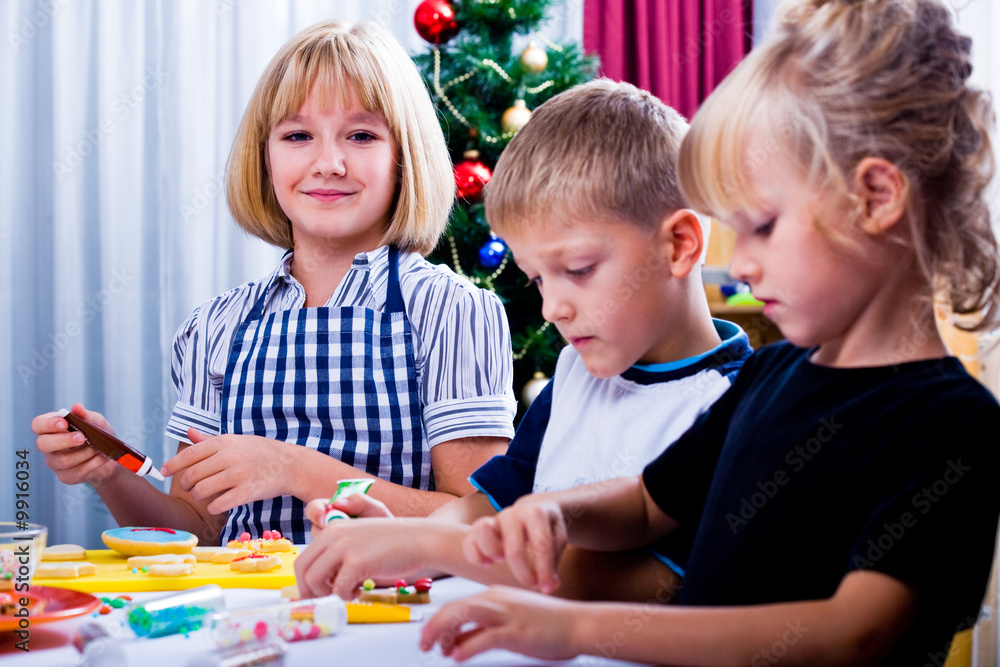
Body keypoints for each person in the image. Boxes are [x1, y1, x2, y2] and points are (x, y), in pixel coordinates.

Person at [420, 0, 1000, 664]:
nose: (741, 265)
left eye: (762, 226)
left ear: (876, 197)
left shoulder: (953, 422)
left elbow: (850, 632)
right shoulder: (769, 375)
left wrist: (574, 627)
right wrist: (559, 513)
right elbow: (646, 506)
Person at [31, 20, 516, 547]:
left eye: (361, 135)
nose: (328, 164)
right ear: (264, 157)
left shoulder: (452, 312)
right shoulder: (216, 326)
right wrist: (110, 472)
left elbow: (479, 522)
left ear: (406, 157)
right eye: (297, 136)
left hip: (387, 599)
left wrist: (295, 470)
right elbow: (199, 531)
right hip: (246, 602)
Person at [293, 79, 753, 603]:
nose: (551, 308)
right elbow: (489, 505)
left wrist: (430, 547)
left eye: (577, 269)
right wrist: (401, 543)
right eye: (538, 279)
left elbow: (653, 582)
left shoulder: (738, 404)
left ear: (680, 245)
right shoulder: (575, 372)